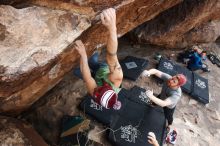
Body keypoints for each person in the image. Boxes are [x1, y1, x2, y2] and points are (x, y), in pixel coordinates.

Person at [74, 8, 123, 110]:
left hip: (96, 77)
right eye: (98, 89)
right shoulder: (117, 77)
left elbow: (88, 78)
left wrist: (83, 54)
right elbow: (111, 55)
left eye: (95, 91)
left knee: (78, 71)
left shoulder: (96, 94)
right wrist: (112, 28)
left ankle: (90, 61)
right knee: (93, 61)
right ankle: (93, 60)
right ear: (108, 88)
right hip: (103, 70)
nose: (95, 90)